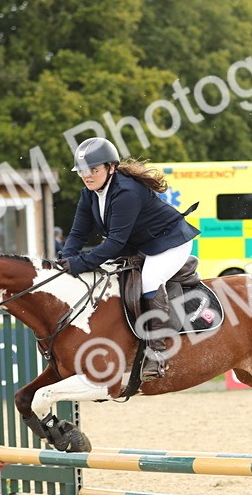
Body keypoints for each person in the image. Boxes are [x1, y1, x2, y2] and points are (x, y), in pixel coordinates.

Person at [57, 137, 200, 380]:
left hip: (170, 242)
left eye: (94, 169)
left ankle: (158, 351)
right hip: (140, 243)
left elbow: (115, 243)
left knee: (150, 280)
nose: (87, 175)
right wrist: (64, 260)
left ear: (111, 168)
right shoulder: (88, 194)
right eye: (82, 171)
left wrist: (79, 263)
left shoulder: (127, 192)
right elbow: (78, 233)